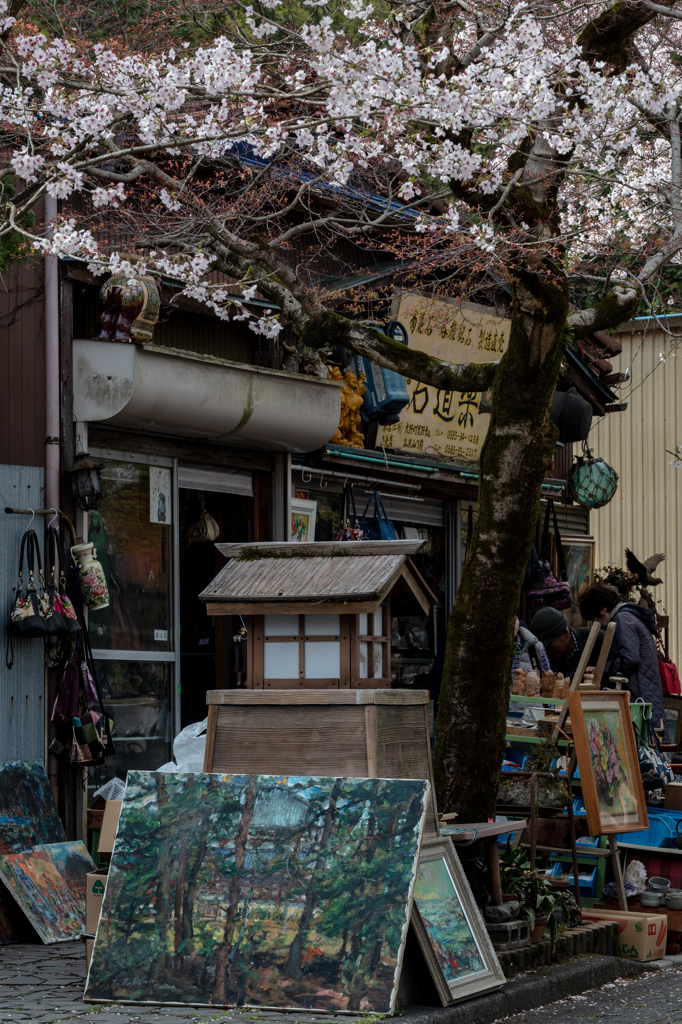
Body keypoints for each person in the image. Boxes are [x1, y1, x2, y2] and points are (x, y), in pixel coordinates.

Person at [579, 583, 664, 730]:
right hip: (644, 691)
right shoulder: (629, 616)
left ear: (603, 608)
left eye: (594, 617)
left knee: (642, 741)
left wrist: (602, 669)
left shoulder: (622, 619)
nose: (596, 623)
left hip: (638, 695)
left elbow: (630, 658)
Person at [530, 606, 604, 678]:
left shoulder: (597, 639)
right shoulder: (544, 657)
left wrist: (602, 670)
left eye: (550, 645)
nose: (546, 650)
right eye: (543, 647)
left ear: (566, 633)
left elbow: (613, 668)